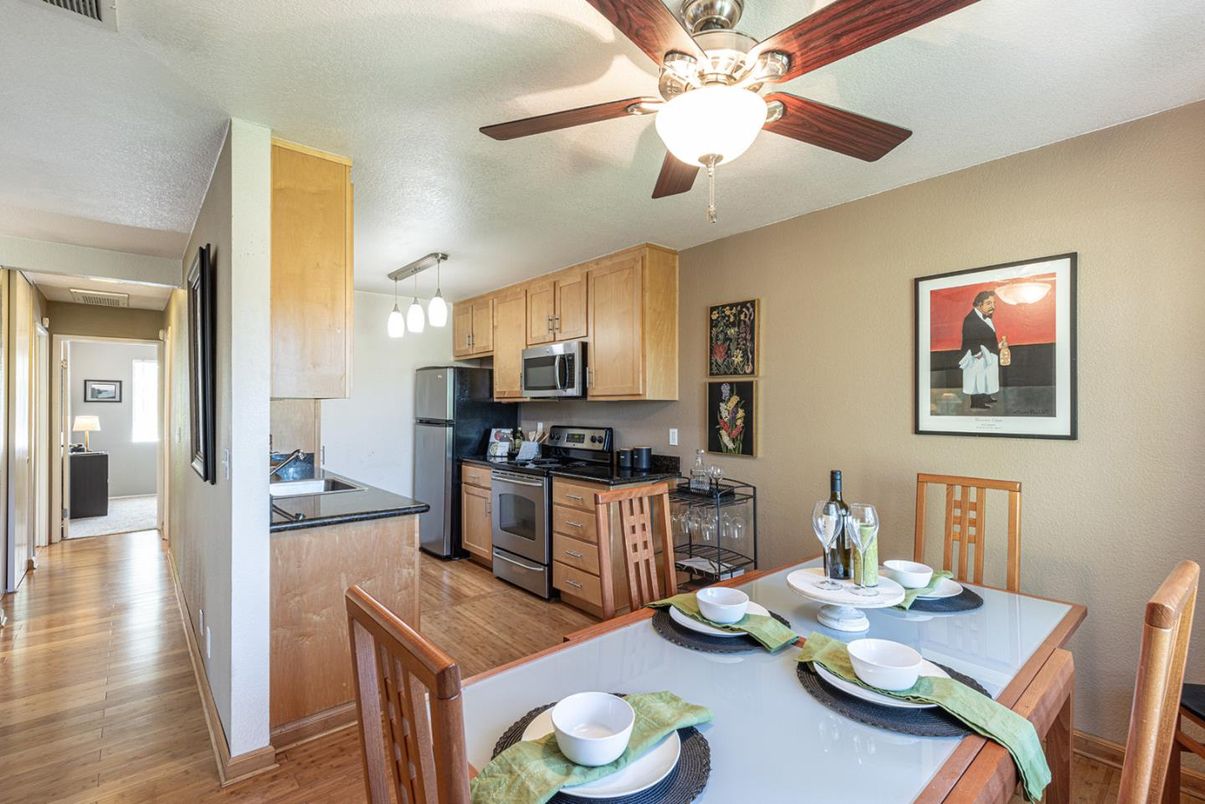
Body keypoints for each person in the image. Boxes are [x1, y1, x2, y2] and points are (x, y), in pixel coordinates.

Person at [958, 290, 1001, 410]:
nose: (993, 306)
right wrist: (977, 353)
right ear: (979, 304)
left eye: (994, 303)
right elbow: (969, 337)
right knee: (977, 378)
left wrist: (997, 346)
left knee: (987, 376)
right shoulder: (970, 319)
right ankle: (976, 402)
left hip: (989, 353)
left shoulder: (987, 317)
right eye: (989, 303)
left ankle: (986, 397)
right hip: (977, 354)